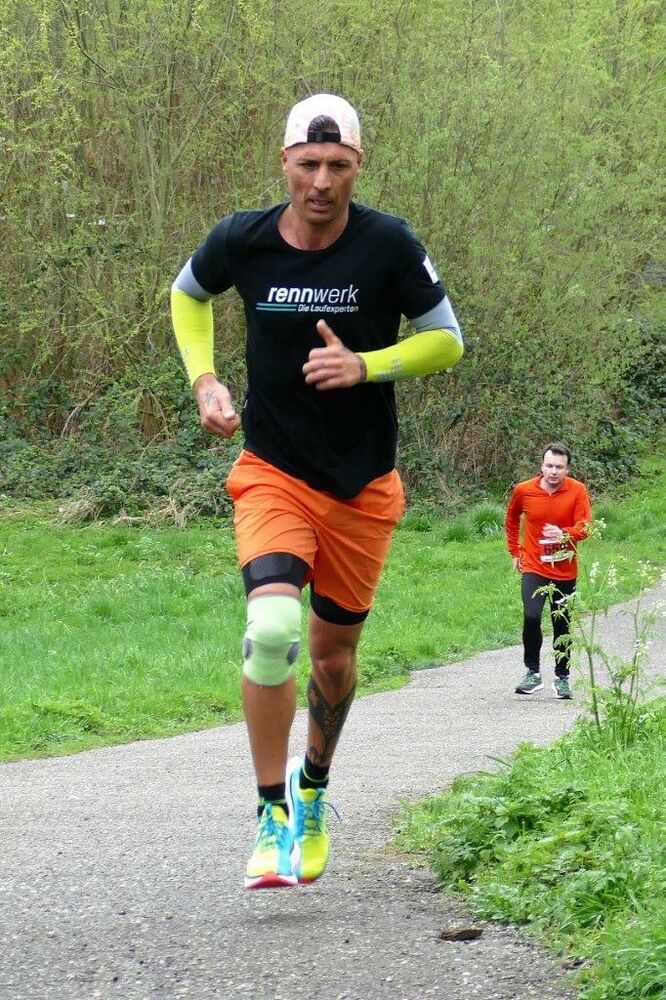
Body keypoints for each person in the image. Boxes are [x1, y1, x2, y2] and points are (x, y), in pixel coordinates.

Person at [170, 93, 463, 889]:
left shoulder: (389, 243)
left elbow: (447, 339)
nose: (322, 182)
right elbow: (188, 293)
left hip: (362, 486)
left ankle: (313, 788)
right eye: (308, 164)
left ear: (358, 165)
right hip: (273, 471)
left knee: (333, 660)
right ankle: (270, 816)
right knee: (271, 629)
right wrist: (205, 380)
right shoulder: (242, 239)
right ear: (286, 162)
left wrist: (366, 364)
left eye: (338, 165)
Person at [505, 443, 592, 700]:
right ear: (541, 466)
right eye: (549, 466)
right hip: (534, 565)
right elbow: (512, 519)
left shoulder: (577, 490)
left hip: (564, 568)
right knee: (531, 616)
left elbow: (586, 526)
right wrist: (515, 551)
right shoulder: (524, 490)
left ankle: (562, 677)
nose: (553, 471)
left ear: (567, 469)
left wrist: (565, 533)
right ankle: (532, 673)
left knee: (561, 622)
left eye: (559, 467)